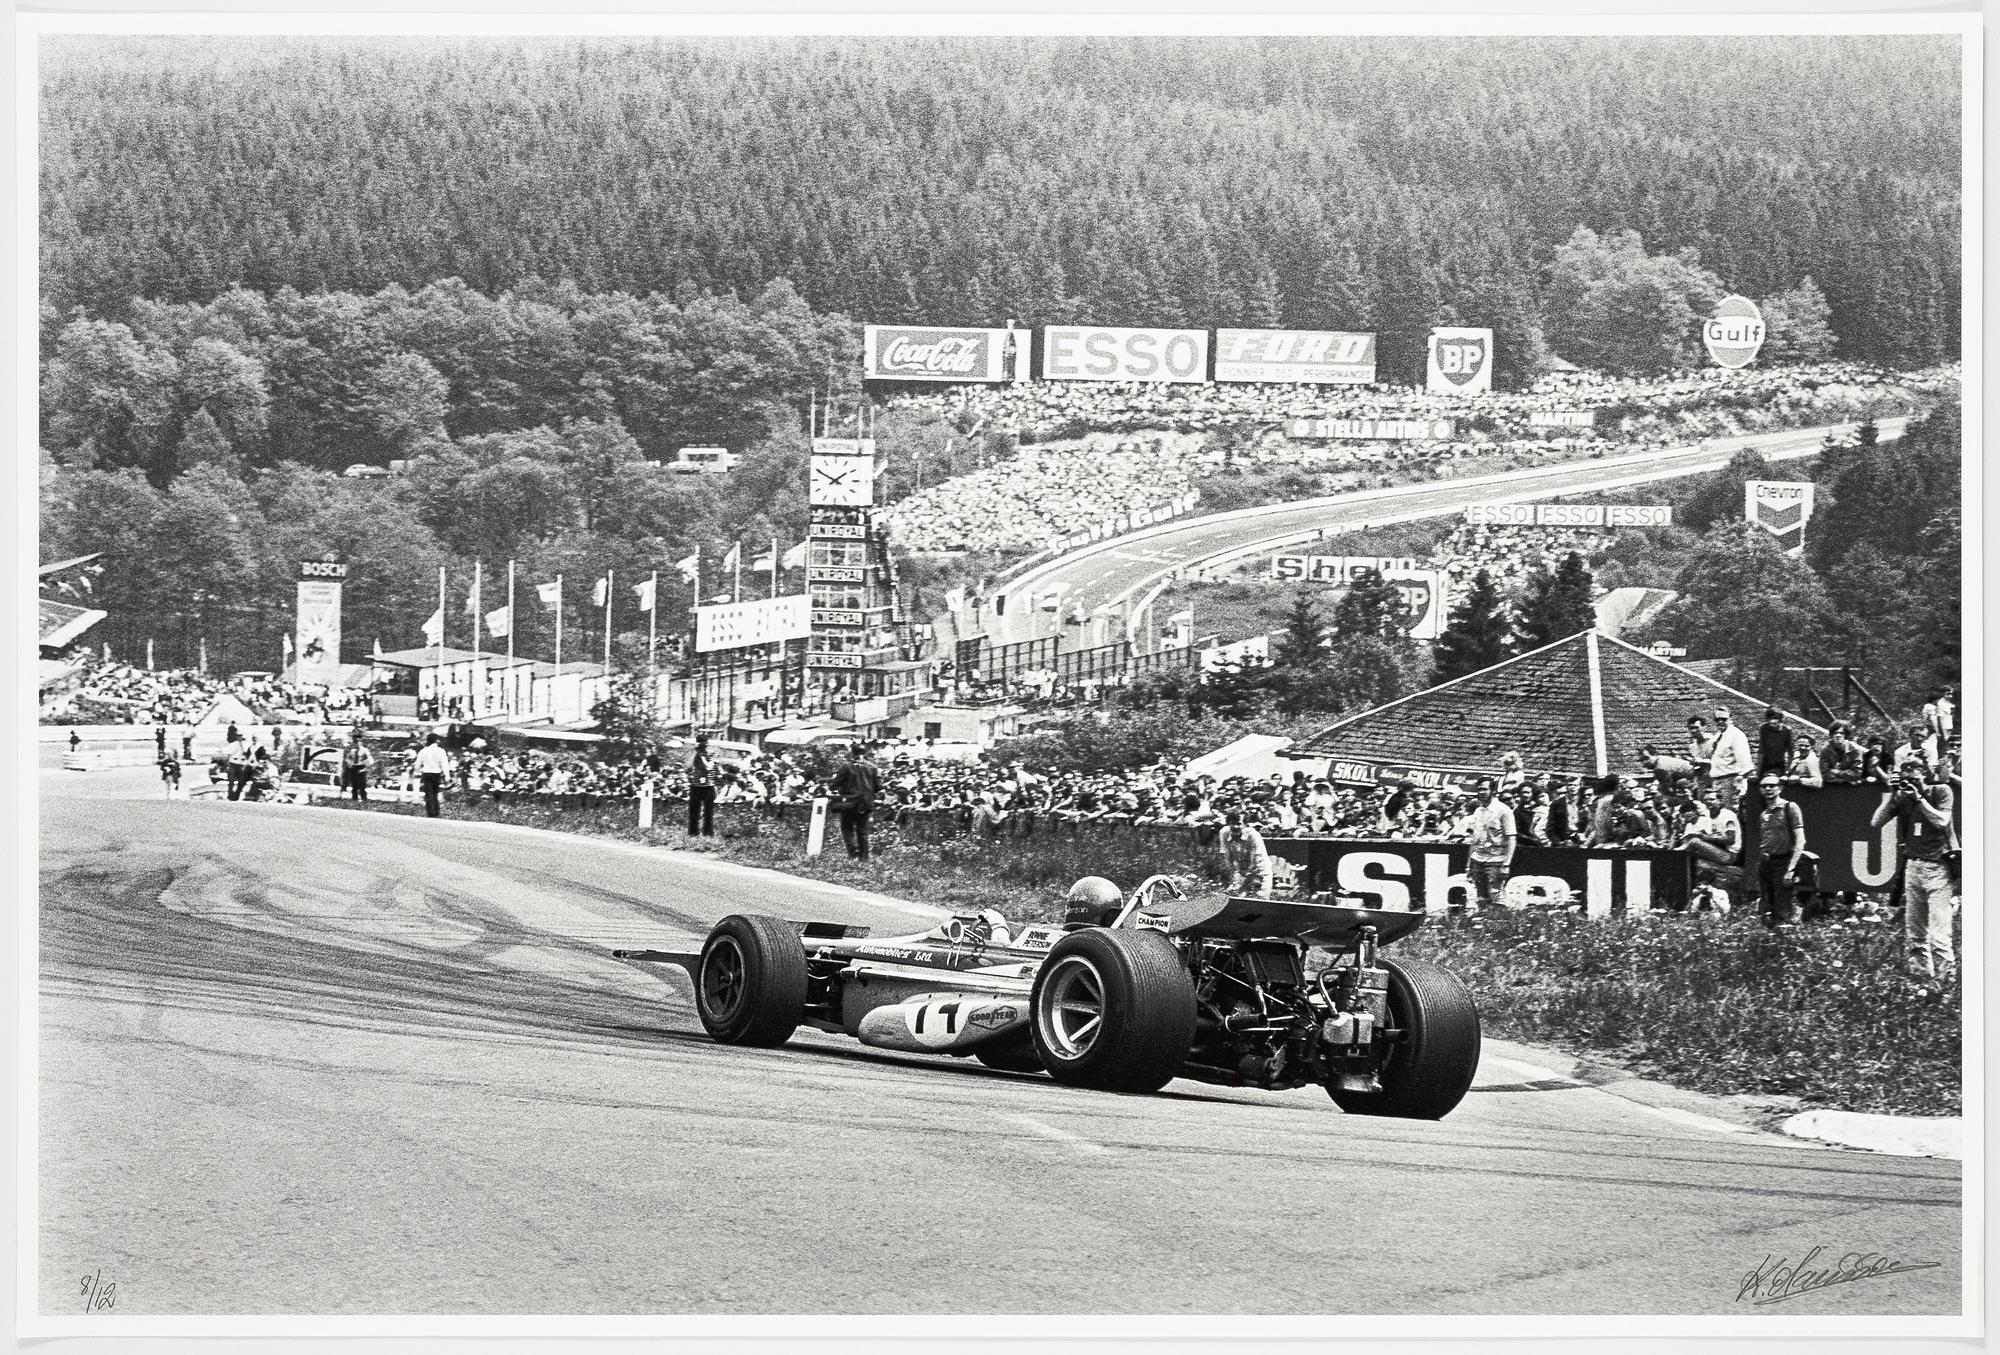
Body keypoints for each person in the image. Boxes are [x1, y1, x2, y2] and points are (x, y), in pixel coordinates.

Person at [1871, 757, 1958, 980]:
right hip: (1913, 866)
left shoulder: (1941, 791)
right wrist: (1891, 793)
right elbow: (1876, 823)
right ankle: (1923, 981)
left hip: (1938, 867)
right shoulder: (1903, 797)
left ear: (1925, 772)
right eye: (1906, 771)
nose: (1911, 776)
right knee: (1916, 933)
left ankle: (1945, 982)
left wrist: (1919, 798)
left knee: (1939, 934)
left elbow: (1941, 821)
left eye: (1915, 771)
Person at [1752, 773, 1805, 927]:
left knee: (1783, 910)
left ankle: (1785, 942)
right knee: (1767, 909)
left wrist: (1791, 869)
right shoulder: (1763, 814)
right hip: (1765, 863)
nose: (1768, 789)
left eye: (1772, 785)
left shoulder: (1790, 807)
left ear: (1780, 788)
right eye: (1764, 786)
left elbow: (1800, 840)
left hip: (1783, 862)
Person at [1465, 779, 1516, 914]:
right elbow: (1474, 839)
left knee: (1496, 895)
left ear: (1493, 791)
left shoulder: (1503, 810)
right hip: (1478, 859)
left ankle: (1500, 926)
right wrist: (1469, 863)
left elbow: (1511, 838)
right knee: (1481, 897)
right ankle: (1483, 925)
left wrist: (1506, 864)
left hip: (1496, 860)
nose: (1481, 792)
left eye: (1484, 789)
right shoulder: (1478, 811)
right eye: (1479, 789)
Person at [828, 745, 882, 861]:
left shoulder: (847, 766)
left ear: (852, 753)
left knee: (847, 828)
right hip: (867, 802)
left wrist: (836, 787)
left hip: (850, 802)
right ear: (865, 753)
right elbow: (878, 787)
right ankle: (865, 858)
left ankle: (853, 852)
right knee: (862, 831)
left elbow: (834, 784)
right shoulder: (873, 767)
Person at [1708, 707, 1754, 811]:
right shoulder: (1718, 736)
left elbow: (1745, 763)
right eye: (1717, 719)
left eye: (1723, 719)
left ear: (1730, 719)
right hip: (1717, 782)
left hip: (1730, 781)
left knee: (1729, 813)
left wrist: (1740, 785)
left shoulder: (1736, 735)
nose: (1720, 721)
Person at [1216, 812, 1271, 897]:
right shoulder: (1224, 833)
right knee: (1237, 897)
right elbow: (1226, 858)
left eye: (1239, 824)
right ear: (1228, 824)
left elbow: (1255, 861)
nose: (1235, 827)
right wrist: (1234, 879)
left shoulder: (1253, 835)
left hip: (1260, 870)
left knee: (1261, 897)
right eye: (1232, 824)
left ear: (1245, 824)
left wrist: (1242, 881)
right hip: (1242, 870)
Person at [413, 733, 452, 819]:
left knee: (428, 793)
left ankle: (431, 812)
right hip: (436, 773)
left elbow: (417, 763)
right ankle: (436, 811)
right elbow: (444, 764)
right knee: (435, 792)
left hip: (427, 773)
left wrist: (416, 771)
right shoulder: (441, 751)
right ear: (436, 740)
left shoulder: (423, 751)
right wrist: (447, 776)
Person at [686, 736, 719, 837]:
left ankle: (708, 832)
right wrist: (695, 752)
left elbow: (709, 767)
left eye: (704, 743)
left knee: (708, 811)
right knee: (693, 811)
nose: (703, 746)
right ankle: (693, 832)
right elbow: (688, 766)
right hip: (696, 785)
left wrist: (702, 756)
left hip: (708, 786)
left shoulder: (710, 753)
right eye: (700, 743)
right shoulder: (695, 754)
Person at [1755, 707, 1795, 779]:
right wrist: (1758, 772)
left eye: (1775, 718)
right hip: (1766, 763)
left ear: (1780, 719)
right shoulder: (1763, 728)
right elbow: (1762, 749)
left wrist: (1788, 771)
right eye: (1770, 718)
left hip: (1780, 763)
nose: (1772, 721)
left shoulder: (1787, 730)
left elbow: (1791, 752)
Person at [342, 734, 374, 802]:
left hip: (361, 767)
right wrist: (349, 763)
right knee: (354, 784)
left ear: (361, 742)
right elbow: (347, 758)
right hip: (353, 767)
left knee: (362, 784)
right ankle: (354, 798)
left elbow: (370, 760)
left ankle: (364, 798)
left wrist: (366, 766)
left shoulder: (364, 750)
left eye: (359, 741)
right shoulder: (351, 750)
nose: (357, 743)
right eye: (356, 741)